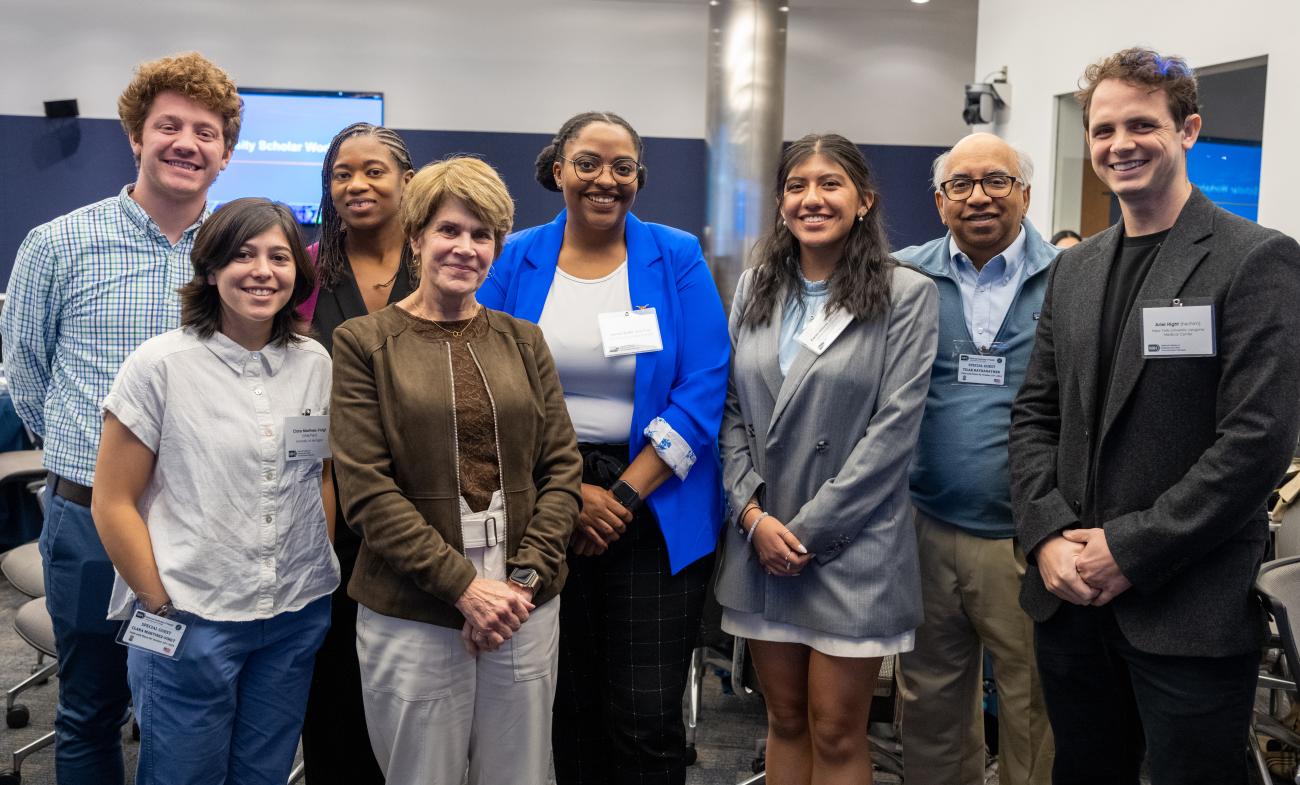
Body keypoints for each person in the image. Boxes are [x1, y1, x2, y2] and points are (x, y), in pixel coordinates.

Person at [1009, 47, 1300, 785]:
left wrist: (1129, 549)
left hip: (1186, 607)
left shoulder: (1255, 260)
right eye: (1103, 130)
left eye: (1143, 124)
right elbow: (1035, 415)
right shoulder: (1075, 268)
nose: (1120, 144)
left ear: (1188, 129)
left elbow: (1256, 442)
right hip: (1070, 602)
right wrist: (1046, 536)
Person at [0, 51, 241, 785]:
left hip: (207, 522)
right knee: (90, 711)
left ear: (225, 154)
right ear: (135, 137)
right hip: (90, 518)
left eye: (206, 132)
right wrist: (95, 454)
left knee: (194, 705)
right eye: (169, 125)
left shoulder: (241, 253)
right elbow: (28, 379)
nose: (186, 143)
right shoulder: (58, 244)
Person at [479, 111, 729, 785]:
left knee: (646, 714)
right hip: (542, 497)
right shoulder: (515, 256)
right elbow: (485, 375)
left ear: (639, 179)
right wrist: (569, 491)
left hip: (655, 501)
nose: (605, 179)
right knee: (566, 707)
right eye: (588, 162)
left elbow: (705, 384)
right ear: (558, 169)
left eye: (622, 167)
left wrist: (619, 493)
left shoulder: (674, 255)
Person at [330, 155, 582, 784]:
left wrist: (519, 583)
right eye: (449, 230)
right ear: (416, 238)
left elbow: (562, 468)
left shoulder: (525, 341)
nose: (464, 248)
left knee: (519, 772)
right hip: (413, 601)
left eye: (481, 234)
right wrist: (466, 590)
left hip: (524, 597)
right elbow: (366, 492)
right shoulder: (363, 343)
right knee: (423, 773)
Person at [715, 133, 938, 784]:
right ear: (782, 202)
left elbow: (895, 430)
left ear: (864, 199)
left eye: (830, 183)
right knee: (783, 721)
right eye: (796, 185)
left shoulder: (907, 293)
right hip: (762, 545)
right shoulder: (757, 285)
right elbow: (729, 409)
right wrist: (752, 518)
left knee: (837, 728)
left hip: (851, 546)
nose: (812, 198)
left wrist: (806, 531)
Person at [91, 197, 337, 784]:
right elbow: (113, 501)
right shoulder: (160, 365)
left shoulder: (315, 362)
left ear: (296, 275)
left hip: (294, 615)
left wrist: (309, 564)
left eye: (279, 256)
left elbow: (319, 474)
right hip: (191, 615)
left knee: (263, 773)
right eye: (243, 254)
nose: (263, 270)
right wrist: (159, 605)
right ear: (210, 270)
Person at [893, 133, 1056, 785]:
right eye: (960, 184)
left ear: (1025, 194)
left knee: (1034, 709)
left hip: (1031, 537)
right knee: (929, 703)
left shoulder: (1070, 276)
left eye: (996, 180)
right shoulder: (904, 275)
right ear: (939, 201)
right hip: (926, 527)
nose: (978, 196)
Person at [300, 122, 416, 785]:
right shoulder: (305, 269)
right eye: (342, 173)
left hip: (424, 504)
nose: (356, 184)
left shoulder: (443, 263)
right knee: (335, 684)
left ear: (407, 178)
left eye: (373, 170)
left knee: (415, 685)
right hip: (327, 504)